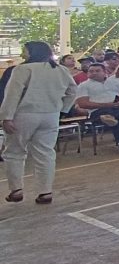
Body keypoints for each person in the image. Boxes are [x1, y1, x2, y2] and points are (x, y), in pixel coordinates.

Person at [1, 42, 77, 204]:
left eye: (25, 51)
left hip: (25, 114)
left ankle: (16, 189)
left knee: (14, 152)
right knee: (45, 153)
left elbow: (12, 95)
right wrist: (63, 109)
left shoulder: (22, 69)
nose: (23, 54)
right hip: (51, 115)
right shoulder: (61, 70)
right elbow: (72, 90)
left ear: (33, 52)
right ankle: (45, 192)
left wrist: (6, 117)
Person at [73, 62, 119, 153]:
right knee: (115, 120)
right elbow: (83, 104)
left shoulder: (113, 81)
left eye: (97, 71)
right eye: (91, 71)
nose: (94, 73)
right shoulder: (83, 86)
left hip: (117, 107)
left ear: (104, 72)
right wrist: (107, 105)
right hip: (98, 111)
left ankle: (113, 117)